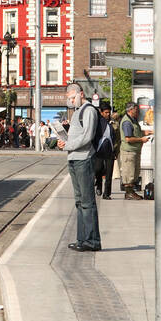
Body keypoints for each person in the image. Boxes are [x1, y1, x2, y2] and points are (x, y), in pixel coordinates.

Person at [57, 82, 102, 252]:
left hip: (84, 159)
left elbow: (87, 137)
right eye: (68, 99)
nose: (70, 101)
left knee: (87, 201)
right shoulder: (77, 113)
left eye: (71, 98)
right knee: (79, 201)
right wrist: (64, 140)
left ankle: (92, 241)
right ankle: (82, 239)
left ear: (80, 94)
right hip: (74, 159)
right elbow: (77, 136)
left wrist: (68, 145)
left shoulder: (89, 111)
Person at [118, 101, 149, 200]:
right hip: (129, 151)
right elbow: (128, 138)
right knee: (129, 172)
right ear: (131, 110)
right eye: (136, 109)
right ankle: (129, 193)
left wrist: (146, 132)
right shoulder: (127, 122)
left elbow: (135, 133)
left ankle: (131, 192)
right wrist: (141, 139)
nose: (138, 111)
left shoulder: (133, 120)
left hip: (134, 150)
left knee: (134, 171)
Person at [94, 103, 119, 198]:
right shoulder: (97, 122)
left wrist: (116, 151)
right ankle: (99, 185)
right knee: (98, 169)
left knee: (109, 174)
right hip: (99, 151)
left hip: (110, 151)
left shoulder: (113, 122)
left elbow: (116, 137)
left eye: (109, 112)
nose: (108, 114)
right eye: (106, 112)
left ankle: (107, 193)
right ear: (101, 112)